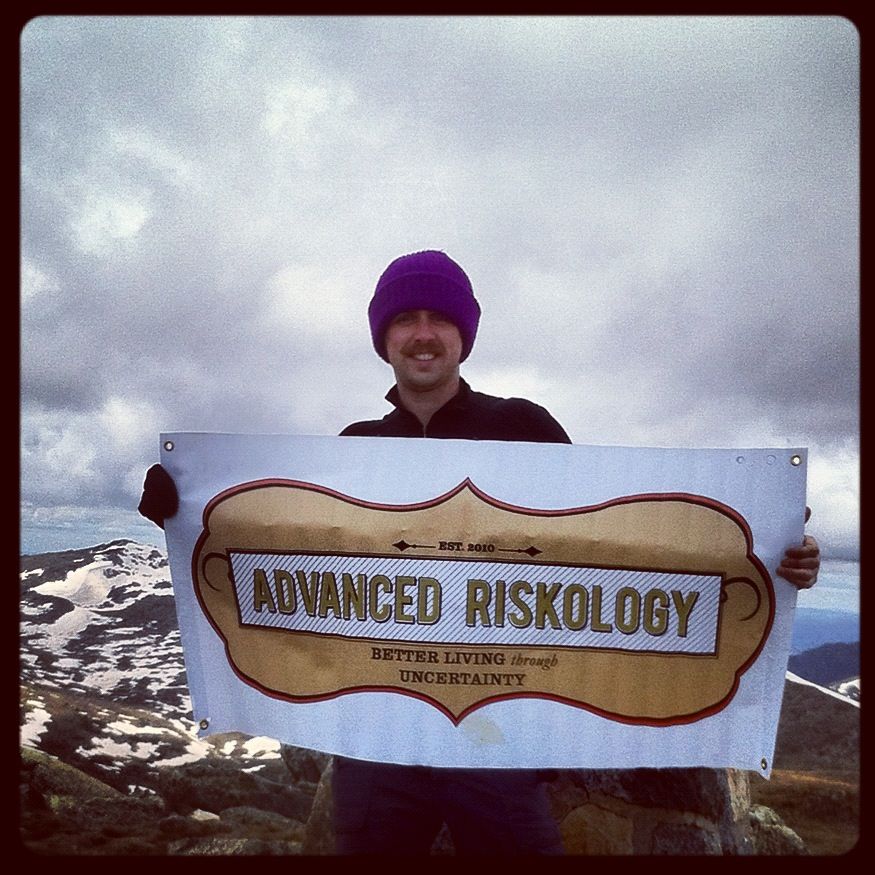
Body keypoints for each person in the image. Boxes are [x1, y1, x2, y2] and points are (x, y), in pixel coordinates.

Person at [139, 249, 821, 855]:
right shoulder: (356, 446)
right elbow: (284, 547)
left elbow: (613, 541)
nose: (423, 333)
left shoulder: (521, 425)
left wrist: (762, 543)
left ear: (463, 334)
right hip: (378, 742)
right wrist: (185, 506)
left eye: (440, 317)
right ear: (383, 339)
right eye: (405, 319)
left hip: (500, 741)